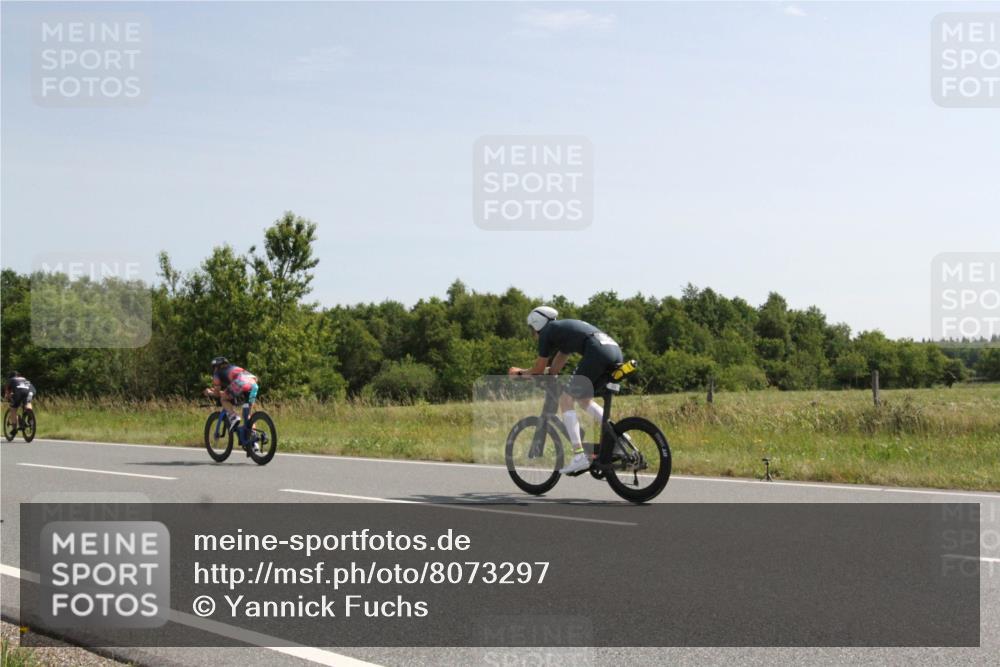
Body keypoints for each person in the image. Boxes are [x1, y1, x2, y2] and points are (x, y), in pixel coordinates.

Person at [508, 306, 623, 474]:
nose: (533, 334)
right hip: (614, 351)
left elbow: (539, 369)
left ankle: (579, 456)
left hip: (596, 353)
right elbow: (554, 368)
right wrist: (547, 374)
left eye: (532, 329)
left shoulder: (547, 333)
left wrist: (518, 374)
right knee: (584, 400)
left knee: (566, 399)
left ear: (537, 324)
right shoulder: (562, 331)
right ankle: (620, 438)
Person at [203, 357, 259, 455]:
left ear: (216, 367)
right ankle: (253, 441)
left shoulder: (217, 373)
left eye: (214, 367)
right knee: (248, 416)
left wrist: (210, 392)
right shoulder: (234, 368)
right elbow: (252, 380)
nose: (214, 370)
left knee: (224, 399)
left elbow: (217, 394)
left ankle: (234, 416)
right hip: (253, 383)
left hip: (240, 382)